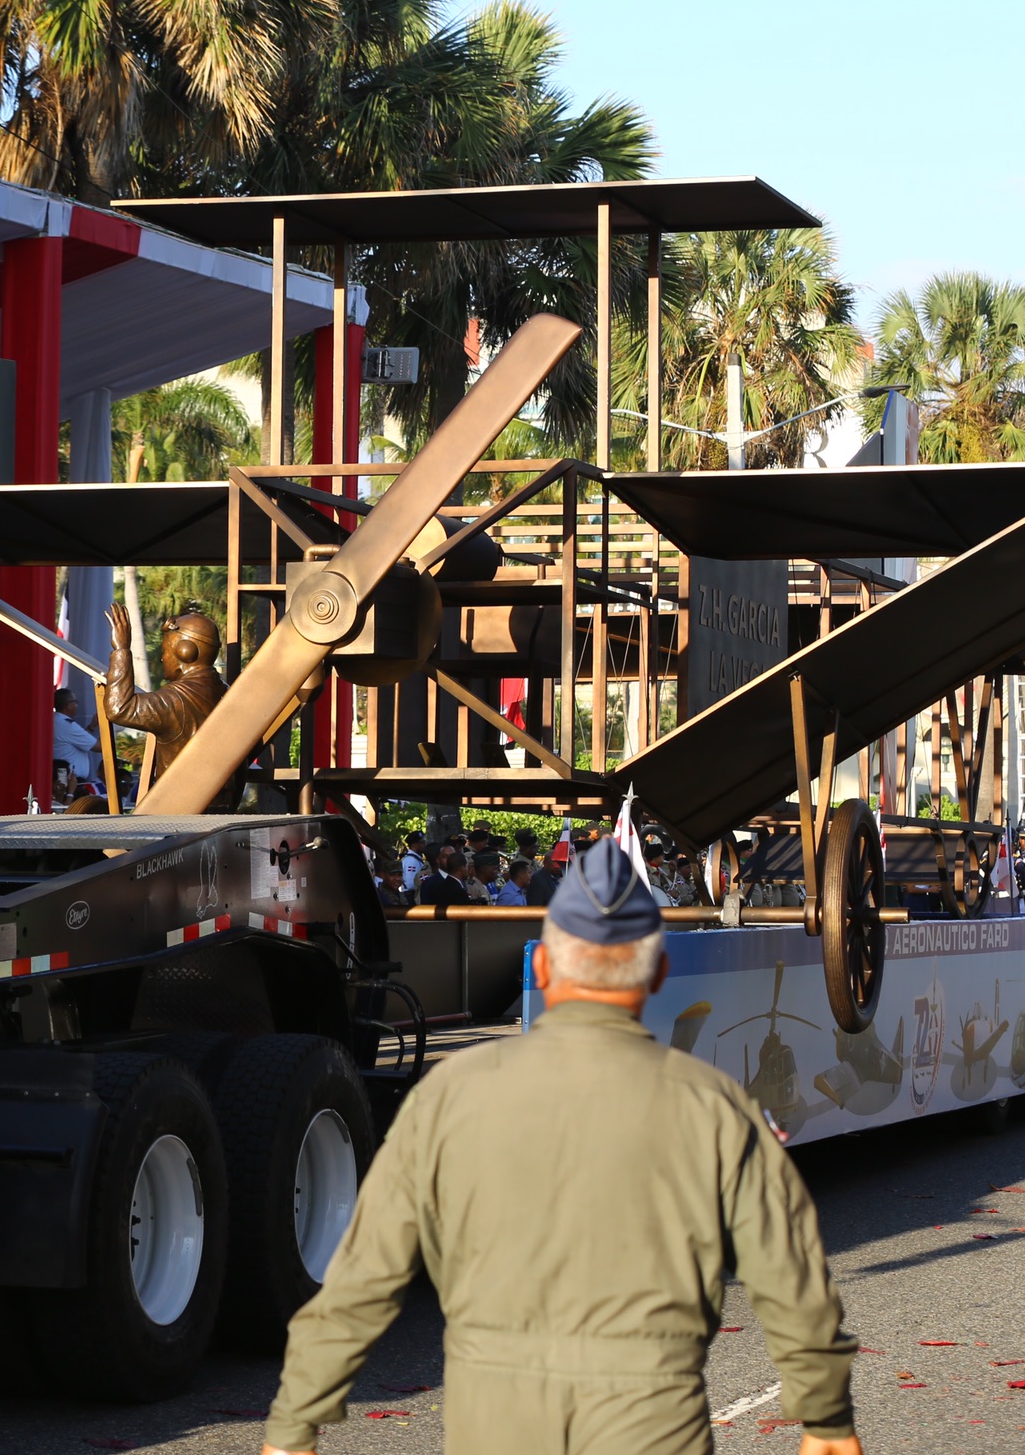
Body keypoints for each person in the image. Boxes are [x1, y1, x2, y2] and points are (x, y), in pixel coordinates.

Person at [261, 840, 862, 1455]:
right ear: (657, 974)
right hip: (652, 1419)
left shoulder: (451, 1095)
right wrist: (826, 1415)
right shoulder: (712, 1105)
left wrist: (295, 1424)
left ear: (544, 968)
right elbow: (788, 1270)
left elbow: (365, 1275)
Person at [102, 603, 230, 797]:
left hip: (180, 802)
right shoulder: (228, 693)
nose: (162, 659)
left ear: (183, 651)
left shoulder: (174, 699)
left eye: (164, 651)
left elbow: (119, 708)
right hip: (223, 800)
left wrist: (121, 649)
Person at [50, 687, 100, 786]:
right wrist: (105, 726)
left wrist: (92, 727)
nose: (76, 705)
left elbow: (76, 740)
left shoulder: (56, 720)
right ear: (67, 705)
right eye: (75, 702)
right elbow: (98, 747)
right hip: (71, 781)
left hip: (63, 778)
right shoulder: (66, 725)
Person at [400, 832, 429, 898]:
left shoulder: (415, 859)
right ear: (414, 845)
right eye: (422, 842)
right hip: (411, 897)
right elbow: (411, 884)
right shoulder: (411, 861)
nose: (424, 844)